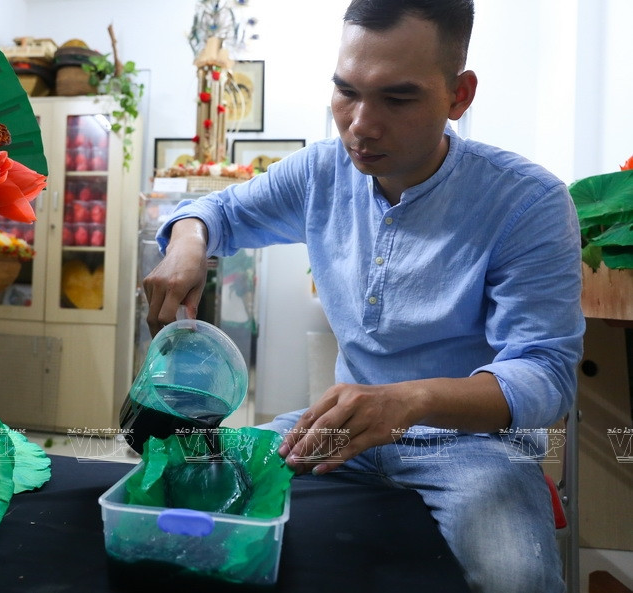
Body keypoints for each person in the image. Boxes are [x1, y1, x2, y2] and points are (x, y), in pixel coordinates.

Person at [142, 0, 585, 591]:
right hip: (339, 426)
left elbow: (546, 375)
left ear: (459, 96)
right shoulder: (322, 173)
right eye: (346, 91)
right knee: (191, 504)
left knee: (517, 576)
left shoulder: (526, 203)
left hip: (473, 448)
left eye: (397, 99)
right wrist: (188, 241)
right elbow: (216, 210)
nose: (360, 124)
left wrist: (411, 400)